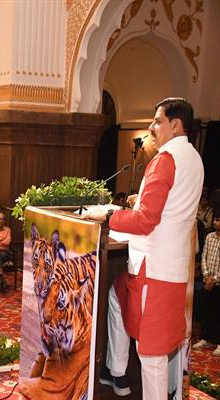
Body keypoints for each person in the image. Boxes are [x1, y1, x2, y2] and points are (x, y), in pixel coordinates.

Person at [91, 98, 204, 399]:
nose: (152, 127)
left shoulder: (165, 159)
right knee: (119, 298)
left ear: (175, 125)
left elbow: (145, 221)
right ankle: (115, 370)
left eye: (157, 121)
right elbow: (169, 210)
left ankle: (118, 372)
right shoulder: (194, 158)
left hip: (151, 270)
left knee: (151, 354)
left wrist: (108, 216)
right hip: (173, 268)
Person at [192, 215, 220, 356]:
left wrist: (214, 279)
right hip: (207, 280)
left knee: (218, 312)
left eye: (218, 220)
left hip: (217, 281)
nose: (215, 222)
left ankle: (218, 342)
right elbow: (204, 256)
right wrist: (206, 275)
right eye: (215, 219)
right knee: (206, 311)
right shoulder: (210, 237)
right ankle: (206, 338)